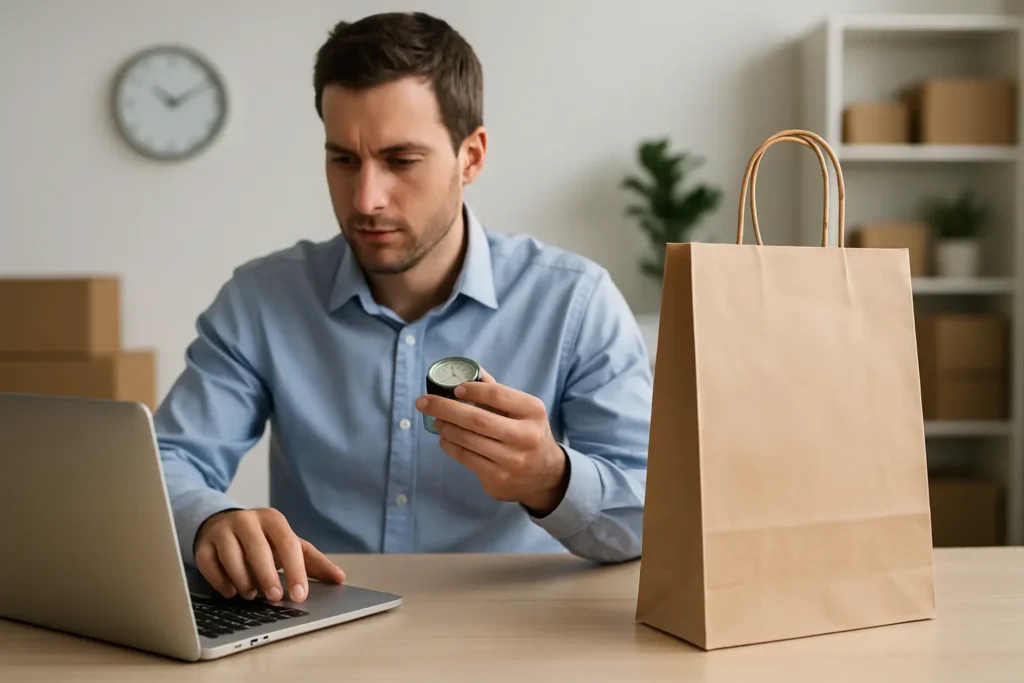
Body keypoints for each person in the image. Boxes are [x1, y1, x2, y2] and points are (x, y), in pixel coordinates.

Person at [154, 11, 652, 605]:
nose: (366, 199)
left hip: (517, 629)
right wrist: (211, 518)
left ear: (471, 157)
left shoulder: (575, 302)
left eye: (400, 161)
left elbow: (652, 515)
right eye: (343, 159)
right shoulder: (262, 301)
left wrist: (551, 478)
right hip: (318, 624)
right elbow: (168, 462)